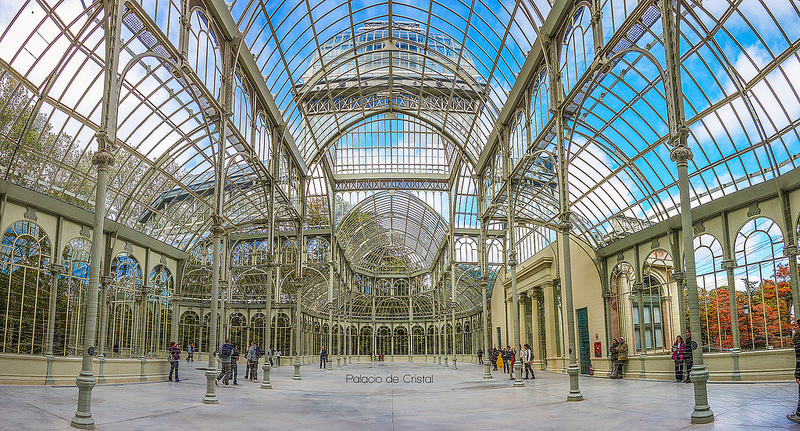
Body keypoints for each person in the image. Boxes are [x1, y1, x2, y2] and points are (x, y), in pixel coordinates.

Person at [788, 320, 800, 424]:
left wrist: (797, 374)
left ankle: (799, 415)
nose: (794, 327)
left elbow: (799, 358)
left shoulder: (798, 339)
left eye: (796, 326)